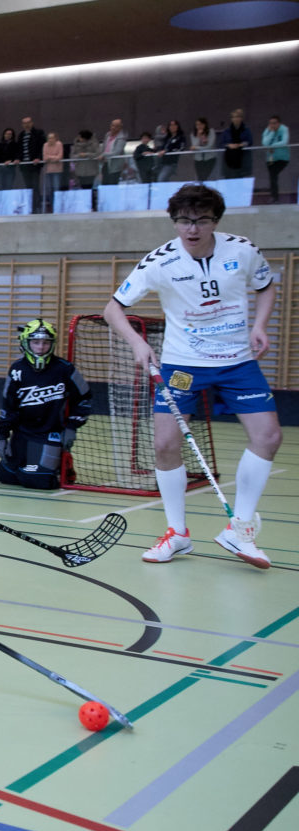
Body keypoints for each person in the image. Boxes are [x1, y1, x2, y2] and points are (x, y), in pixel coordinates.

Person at [104, 184, 280, 569]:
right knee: (165, 444)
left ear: (215, 221)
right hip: (183, 365)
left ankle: (242, 527)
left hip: (238, 362)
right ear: (175, 223)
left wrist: (260, 325)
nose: (191, 229)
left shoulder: (243, 250)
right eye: (184, 221)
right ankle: (177, 533)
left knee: (268, 436)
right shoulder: (160, 262)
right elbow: (113, 309)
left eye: (201, 220)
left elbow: (266, 288)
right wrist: (137, 343)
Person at [0, 320, 91, 490]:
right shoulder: (17, 369)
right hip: (22, 433)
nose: (40, 347)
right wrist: (2, 436)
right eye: (35, 342)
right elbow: (8, 406)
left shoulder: (65, 369)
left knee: (37, 481)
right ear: (25, 342)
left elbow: (85, 398)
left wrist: (72, 427)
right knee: (4, 476)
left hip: (49, 434)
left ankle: (63, 467)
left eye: (46, 343)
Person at [16, 116, 46, 211]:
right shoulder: (21, 135)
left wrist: (38, 158)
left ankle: (37, 206)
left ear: (32, 123)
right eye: (24, 123)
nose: (27, 125)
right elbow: (19, 149)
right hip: (24, 164)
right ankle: (30, 205)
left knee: (35, 185)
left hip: (34, 164)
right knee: (28, 186)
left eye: (28, 123)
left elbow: (42, 147)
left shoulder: (38, 133)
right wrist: (18, 158)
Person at [261, 115, 290, 204]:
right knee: (272, 177)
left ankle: (275, 197)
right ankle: (274, 197)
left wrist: (272, 146)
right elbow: (264, 143)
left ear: (279, 123)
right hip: (270, 159)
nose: (272, 125)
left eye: (274, 123)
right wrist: (272, 132)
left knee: (273, 175)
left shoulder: (284, 129)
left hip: (282, 158)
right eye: (270, 123)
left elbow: (284, 142)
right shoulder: (268, 130)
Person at [221, 109, 253, 180]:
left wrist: (241, 144)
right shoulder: (227, 131)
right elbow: (222, 143)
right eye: (234, 117)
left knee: (239, 179)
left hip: (242, 159)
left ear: (241, 118)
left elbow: (250, 141)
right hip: (229, 159)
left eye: (238, 117)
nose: (236, 119)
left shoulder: (246, 130)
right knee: (229, 179)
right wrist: (229, 145)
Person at [99, 119, 128, 185]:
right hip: (106, 163)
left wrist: (104, 155)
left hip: (114, 165)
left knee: (112, 184)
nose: (113, 127)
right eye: (112, 125)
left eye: (116, 126)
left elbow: (117, 152)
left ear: (120, 128)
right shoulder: (107, 135)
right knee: (104, 183)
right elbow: (104, 147)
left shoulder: (122, 138)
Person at [190, 117, 217, 183]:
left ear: (205, 125)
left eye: (201, 124)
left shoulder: (211, 132)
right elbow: (194, 146)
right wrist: (199, 137)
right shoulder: (193, 134)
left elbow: (209, 146)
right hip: (198, 159)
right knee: (200, 178)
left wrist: (197, 148)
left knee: (206, 177)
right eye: (197, 125)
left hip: (210, 158)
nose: (199, 126)